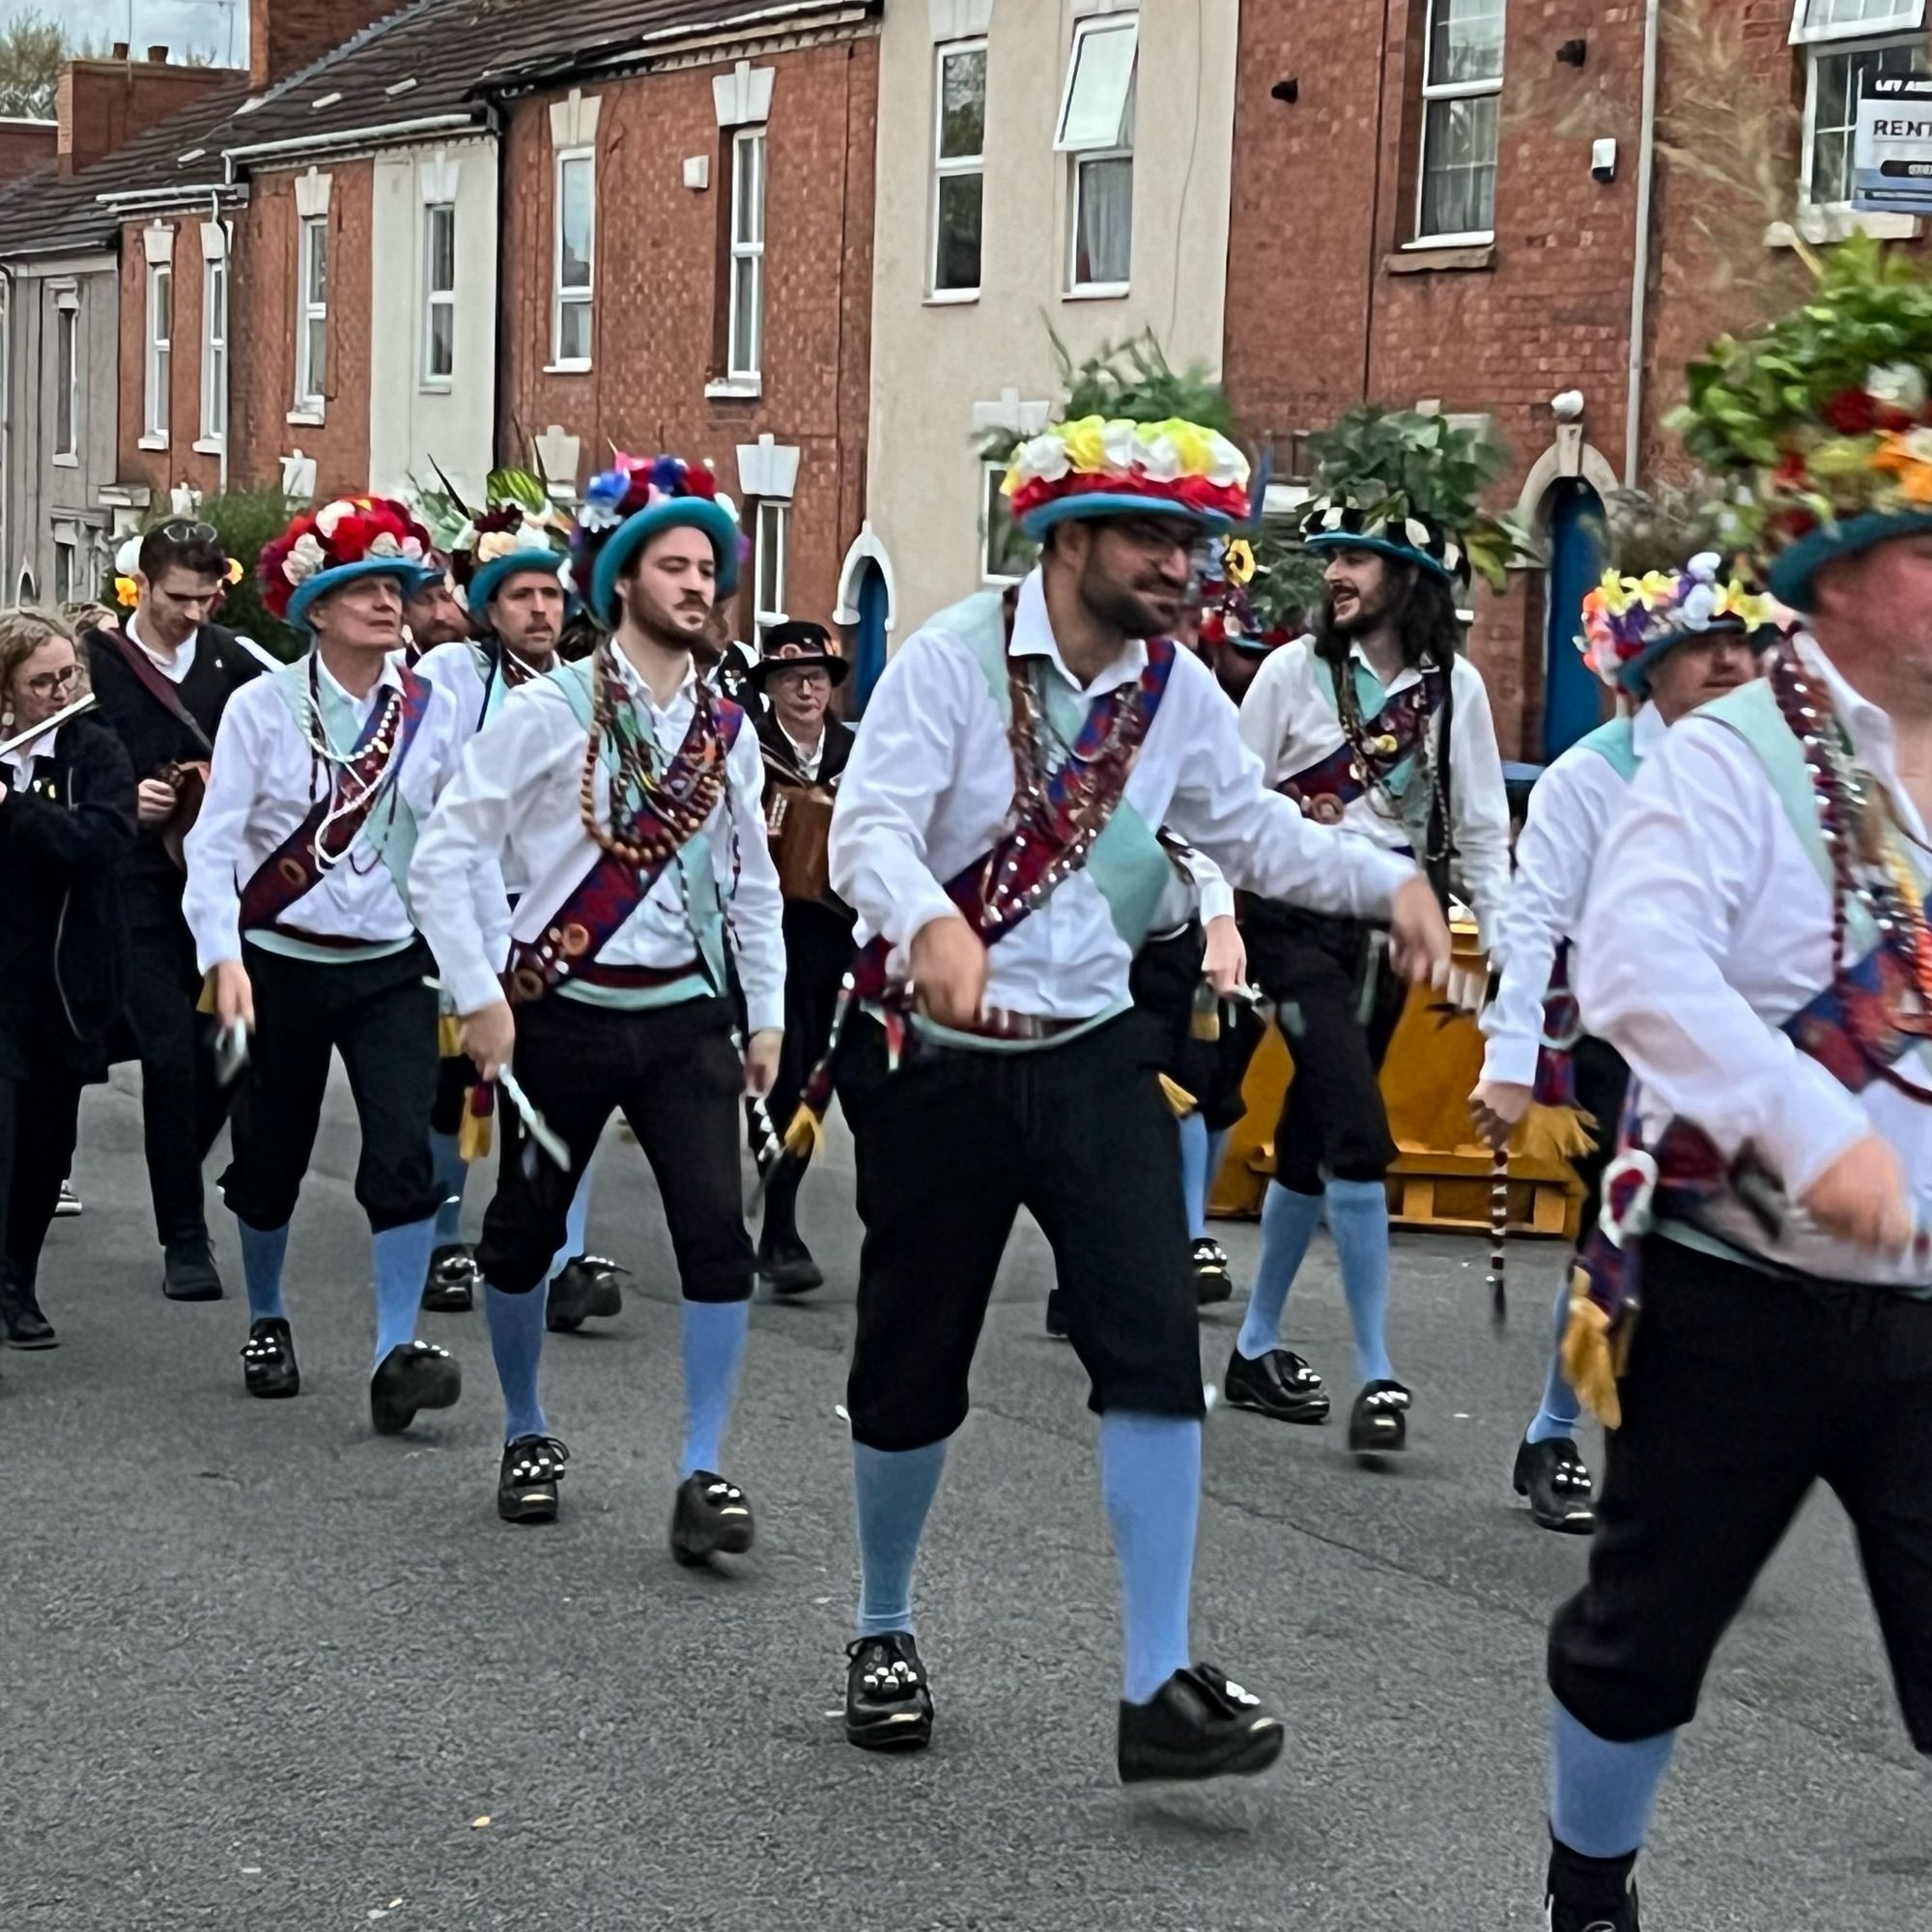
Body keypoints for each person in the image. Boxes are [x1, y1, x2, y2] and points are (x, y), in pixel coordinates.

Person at [827, 354, 1451, 1778]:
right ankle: (881, 1622)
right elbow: (869, 826)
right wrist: (929, 919)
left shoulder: (1177, 693)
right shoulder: (948, 660)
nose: (1185, 566)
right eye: (1154, 540)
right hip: (940, 1059)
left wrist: (1381, 886)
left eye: (1195, 543)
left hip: (1098, 1055)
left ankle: (1158, 1686)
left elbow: (1257, 836)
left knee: (1155, 1348)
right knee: (911, 1364)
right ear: (1069, 543)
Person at [1532, 244, 1932, 1932]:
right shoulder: (1731, 757)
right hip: (1739, 1290)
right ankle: (1591, 1889)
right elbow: (1634, 971)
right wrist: (1813, 1126)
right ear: (1837, 575)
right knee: (1642, 1642)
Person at [412, 454, 785, 1545]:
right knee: (521, 1236)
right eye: (671, 564)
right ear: (620, 580)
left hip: (682, 1018)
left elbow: (752, 882)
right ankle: (527, 1425)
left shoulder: (728, 728)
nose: (694, 584)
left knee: (719, 1240)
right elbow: (445, 853)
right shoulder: (546, 713)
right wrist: (478, 992)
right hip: (559, 1010)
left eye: (706, 567)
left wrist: (763, 1011)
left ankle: (704, 1467)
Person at [1469, 505, 1773, 1533]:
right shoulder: (1585, 777)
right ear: (1645, 662)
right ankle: (1558, 1430)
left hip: (1740, 1049)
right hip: (1613, 1049)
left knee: (1733, 1259)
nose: (1731, 662)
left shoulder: (1777, 772)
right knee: (1631, 1236)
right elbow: (1531, 920)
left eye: (1742, 641)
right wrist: (1508, 1063)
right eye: (1704, 646)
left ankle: (1684, 1449)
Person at [1228, 406, 1514, 1456]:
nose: (1335, 573)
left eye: (1356, 557)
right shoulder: (1285, 676)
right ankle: (1378, 1371)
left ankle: (1254, 1345)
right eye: (1331, 557)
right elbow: (1225, 804)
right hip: (1295, 924)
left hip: (1398, 929)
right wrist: (1221, 921)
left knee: (1312, 1130)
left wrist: (1511, 956)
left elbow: (1481, 829)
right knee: (1357, 1128)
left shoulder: (1456, 690)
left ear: (1406, 578)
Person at [184, 495, 472, 1434]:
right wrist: (222, 957)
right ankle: (268, 1316)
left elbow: (460, 840)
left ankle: (395, 1351)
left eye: (398, 587)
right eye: (366, 589)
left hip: (391, 966)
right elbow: (213, 848)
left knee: (401, 1154)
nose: (391, 604)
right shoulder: (259, 709)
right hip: (277, 966)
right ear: (315, 606)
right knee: (270, 1160)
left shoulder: (432, 709)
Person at [412, 500, 623, 1330]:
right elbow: (432, 792)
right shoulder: (453, 678)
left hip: (554, 916)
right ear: (489, 608)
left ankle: (563, 1258)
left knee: (567, 1080)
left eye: (551, 596)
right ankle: (441, 1240)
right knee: (458, 1081)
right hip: (467, 902)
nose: (540, 611)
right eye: (520, 596)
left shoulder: (587, 688)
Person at [81, 522, 271, 1301]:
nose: (194, 614)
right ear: (144, 586)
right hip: (131, 884)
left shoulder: (236, 662)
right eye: (178, 599)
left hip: (219, 883)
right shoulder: (94, 668)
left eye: (207, 598)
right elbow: (54, 759)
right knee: (167, 1051)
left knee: (230, 1048)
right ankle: (185, 1241)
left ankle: (177, 1163)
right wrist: (124, 798)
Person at [0, 611, 135, 1349]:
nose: (59, 692)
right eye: (41, 682)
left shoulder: (94, 750)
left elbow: (102, 844)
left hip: (60, 983)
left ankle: (18, 1279)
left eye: (67, 676)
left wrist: (13, 808)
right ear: (7, 691)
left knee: (46, 1145)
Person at [745, 619, 856, 1293]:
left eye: (816, 677)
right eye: (791, 679)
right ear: (773, 688)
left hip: (835, 931)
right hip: (767, 929)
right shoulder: (746, 748)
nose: (806, 689)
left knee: (820, 1073)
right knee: (779, 1074)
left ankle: (783, 1213)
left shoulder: (858, 750)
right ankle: (778, 1227)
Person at [402, 559, 469, 662]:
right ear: (404, 612)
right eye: (422, 600)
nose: (439, 615)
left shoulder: (496, 666)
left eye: (447, 597)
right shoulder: (396, 673)